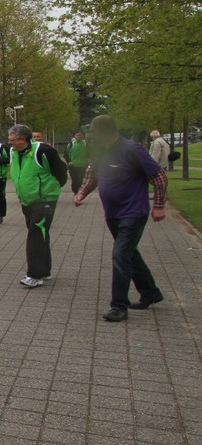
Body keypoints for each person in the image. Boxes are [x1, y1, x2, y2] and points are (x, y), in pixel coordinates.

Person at [74, 115, 167, 322]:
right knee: (129, 254)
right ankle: (150, 293)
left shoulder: (132, 149)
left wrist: (159, 206)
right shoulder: (100, 151)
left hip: (133, 213)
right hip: (112, 213)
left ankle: (119, 306)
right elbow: (92, 175)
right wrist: (81, 193)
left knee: (120, 256)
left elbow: (159, 176)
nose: (91, 137)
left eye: (94, 133)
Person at [9, 124, 68, 288]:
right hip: (27, 201)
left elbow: (61, 171)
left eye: (13, 140)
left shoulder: (43, 151)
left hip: (44, 200)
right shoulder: (13, 152)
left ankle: (34, 275)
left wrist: (50, 190)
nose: (10, 143)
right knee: (41, 234)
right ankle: (45, 270)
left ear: (23, 139)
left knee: (35, 233)